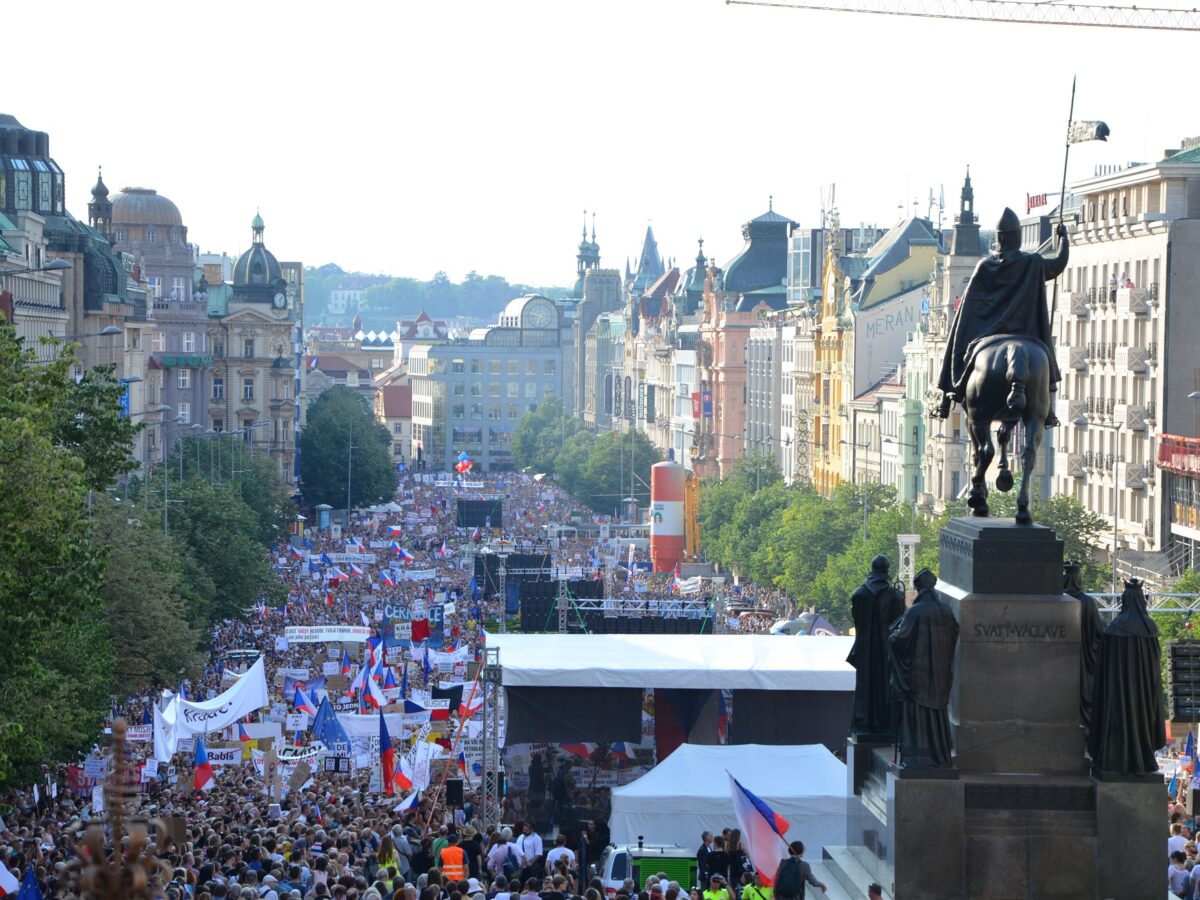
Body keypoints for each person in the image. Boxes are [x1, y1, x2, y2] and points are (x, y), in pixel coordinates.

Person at [936, 207, 1069, 428]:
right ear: (1017, 237)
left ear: (998, 239)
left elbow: (968, 310)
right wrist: (1064, 239)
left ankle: (947, 394)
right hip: (1025, 333)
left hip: (988, 335)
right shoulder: (1032, 262)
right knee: (1044, 357)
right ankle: (1049, 405)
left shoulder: (985, 266)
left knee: (957, 332)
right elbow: (1058, 263)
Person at [1089, 580, 1168, 775]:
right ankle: (1143, 758)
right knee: (1143, 722)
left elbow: (1104, 667)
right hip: (1143, 695)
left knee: (1120, 721)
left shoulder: (1115, 627)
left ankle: (1116, 760)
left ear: (1124, 599)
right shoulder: (1150, 629)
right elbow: (1154, 667)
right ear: (1142, 601)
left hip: (1118, 694)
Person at [889, 568, 959, 769]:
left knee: (919, 717)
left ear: (918, 589)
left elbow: (900, 640)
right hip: (940, 673)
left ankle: (919, 758)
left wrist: (892, 636)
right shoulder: (946, 610)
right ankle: (940, 756)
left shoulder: (914, 612)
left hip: (918, 676)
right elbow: (954, 634)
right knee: (938, 716)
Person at [847, 556, 906, 738]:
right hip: (886, 652)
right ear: (887, 571)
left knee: (864, 687)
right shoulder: (894, 596)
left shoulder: (859, 595)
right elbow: (899, 627)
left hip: (864, 651)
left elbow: (858, 622)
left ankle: (862, 722)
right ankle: (883, 723)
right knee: (884, 687)